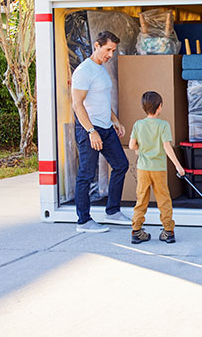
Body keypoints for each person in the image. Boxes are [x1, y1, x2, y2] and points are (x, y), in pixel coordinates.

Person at [71, 30, 130, 233]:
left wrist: (116, 121)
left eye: (113, 50)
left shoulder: (101, 69)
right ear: (96, 46)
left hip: (106, 128)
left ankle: (112, 211)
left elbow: (103, 100)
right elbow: (77, 105)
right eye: (108, 50)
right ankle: (84, 221)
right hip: (90, 129)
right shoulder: (83, 71)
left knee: (121, 165)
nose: (110, 55)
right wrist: (90, 131)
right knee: (86, 175)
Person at [128, 91, 184, 244]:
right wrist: (178, 166)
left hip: (143, 169)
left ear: (143, 107)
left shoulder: (138, 125)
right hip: (158, 169)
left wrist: (140, 147)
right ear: (160, 107)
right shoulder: (163, 125)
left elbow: (132, 145)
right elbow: (167, 147)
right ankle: (168, 231)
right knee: (164, 199)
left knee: (141, 199)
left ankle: (137, 231)